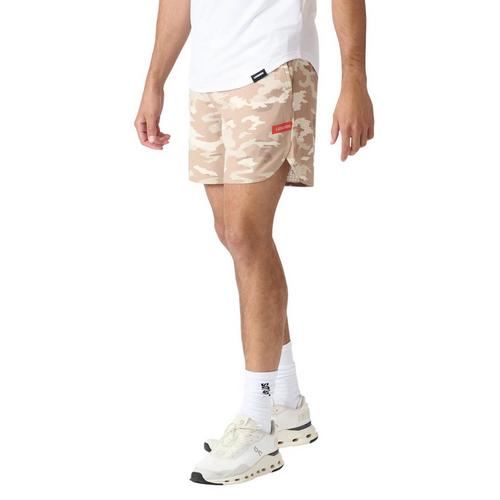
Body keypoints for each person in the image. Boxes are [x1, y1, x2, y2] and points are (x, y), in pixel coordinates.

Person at [135, 0, 374, 486]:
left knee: (246, 235)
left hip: (273, 65)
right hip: (209, 76)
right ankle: (286, 401)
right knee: (232, 233)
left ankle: (257, 422)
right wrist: (153, 82)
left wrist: (355, 80)